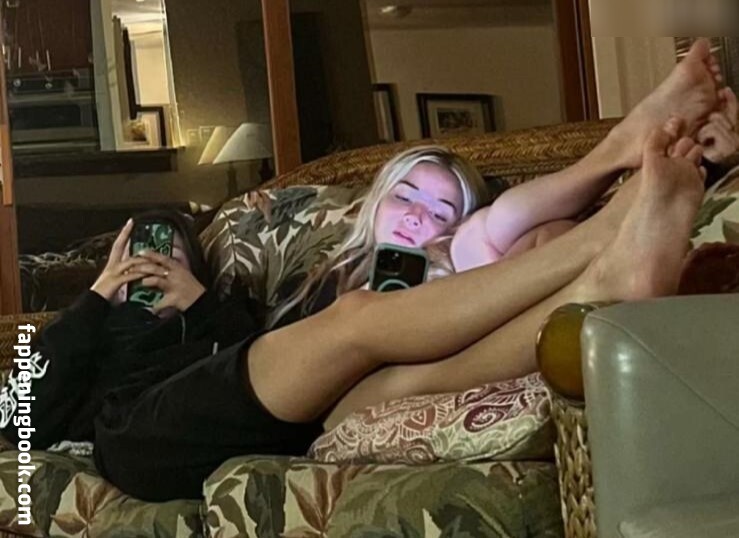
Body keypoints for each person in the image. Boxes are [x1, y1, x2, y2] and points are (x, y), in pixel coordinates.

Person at [6, 39, 727, 503]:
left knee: (394, 385)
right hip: (135, 436)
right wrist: (94, 302)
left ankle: (598, 288)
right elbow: (17, 412)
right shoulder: (95, 329)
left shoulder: (225, 302)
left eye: (166, 245)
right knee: (355, 323)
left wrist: (199, 303)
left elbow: (258, 361)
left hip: (286, 417)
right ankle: (612, 221)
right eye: (137, 249)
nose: (150, 262)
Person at [0, 209, 261, 450]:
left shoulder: (216, 322)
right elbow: (16, 424)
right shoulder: (82, 329)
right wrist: (96, 298)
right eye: (133, 264)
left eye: (169, 261)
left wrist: (200, 304)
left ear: (194, 272)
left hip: (152, 438)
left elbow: (249, 381)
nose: (150, 273)